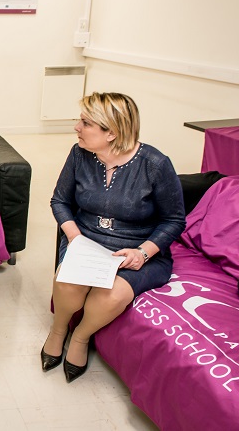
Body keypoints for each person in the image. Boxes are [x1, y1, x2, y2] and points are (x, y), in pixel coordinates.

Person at [43, 92, 186, 383]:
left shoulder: (155, 165)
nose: (76, 127)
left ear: (112, 132)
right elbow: (60, 201)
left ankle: (81, 337)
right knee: (67, 283)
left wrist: (143, 253)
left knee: (110, 296)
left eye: (85, 122)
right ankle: (58, 330)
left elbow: (174, 220)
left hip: (133, 248)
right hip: (86, 240)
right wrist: (75, 238)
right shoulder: (79, 154)